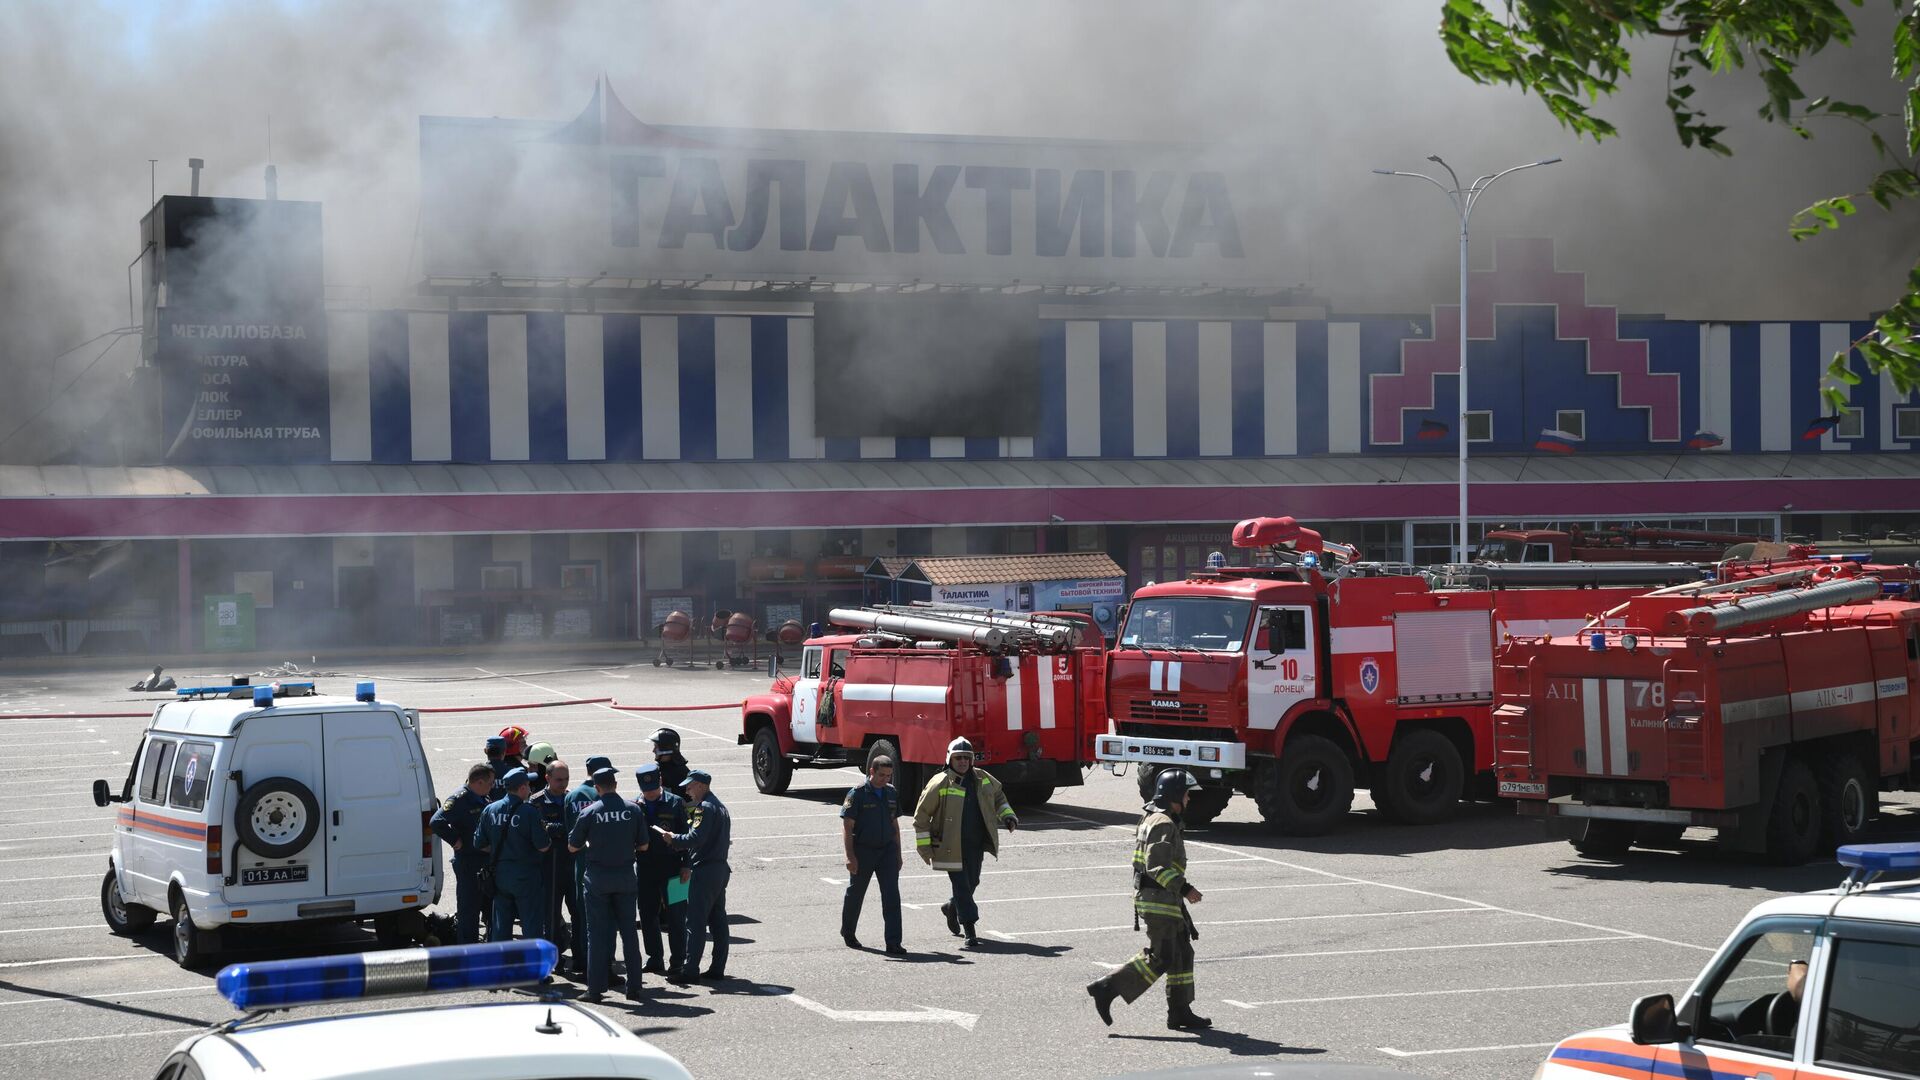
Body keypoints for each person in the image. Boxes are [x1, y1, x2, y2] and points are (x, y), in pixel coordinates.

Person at [1086, 768, 1210, 1031]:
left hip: (1164, 898)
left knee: (1181, 953)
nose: (1189, 800)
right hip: (1158, 900)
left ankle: (1180, 1011)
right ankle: (1107, 988)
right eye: (1187, 794)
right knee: (1161, 956)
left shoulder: (1156, 818)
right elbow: (1157, 866)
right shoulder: (1163, 823)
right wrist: (1185, 888)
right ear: (1176, 795)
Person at [912, 737, 1016, 947]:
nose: (962, 762)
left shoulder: (982, 778)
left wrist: (1008, 815)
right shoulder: (940, 782)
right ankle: (970, 930)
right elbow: (921, 817)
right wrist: (925, 847)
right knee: (961, 886)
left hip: (975, 844)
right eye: (958, 758)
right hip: (950, 845)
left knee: (971, 883)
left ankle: (952, 907)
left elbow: (998, 796)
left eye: (966, 758)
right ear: (950, 759)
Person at [568, 765, 646, 1003]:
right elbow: (644, 846)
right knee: (629, 934)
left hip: (598, 879)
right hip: (624, 877)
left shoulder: (590, 812)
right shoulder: (633, 810)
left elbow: (572, 846)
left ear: (596, 787)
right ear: (616, 785)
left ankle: (595, 989)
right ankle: (634, 987)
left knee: (597, 935)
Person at [654, 769, 731, 985]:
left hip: (705, 870)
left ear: (701, 785)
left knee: (695, 922)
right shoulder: (720, 806)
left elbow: (695, 837)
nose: (687, 790)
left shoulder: (703, 808)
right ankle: (717, 967)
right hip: (720, 869)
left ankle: (690, 970)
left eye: (690, 786)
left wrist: (673, 838)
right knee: (718, 920)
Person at [473, 767, 550, 943]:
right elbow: (543, 846)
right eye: (528, 785)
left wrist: (501, 852)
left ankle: (503, 965)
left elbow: (479, 843)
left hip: (500, 875)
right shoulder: (529, 812)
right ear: (522, 788)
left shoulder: (490, 809)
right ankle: (533, 967)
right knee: (531, 925)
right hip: (526, 876)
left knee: (501, 926)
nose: (530, 789)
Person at [841, 756, 905, 956]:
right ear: (871, 771)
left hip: (887, 851)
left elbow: (894, 824)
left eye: (888, 775)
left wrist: (899, 854)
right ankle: (848, 932)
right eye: (881, 775)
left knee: (892, 896)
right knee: (856, 894)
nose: (884, 779)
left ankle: (893, 942)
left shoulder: (891, 793)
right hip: (864, 851)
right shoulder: (857, 794)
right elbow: (847, 825)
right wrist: (850, 856)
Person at [429, 763, 494, 945]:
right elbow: (436, 821)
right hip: (468, 862)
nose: (491, 787)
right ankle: (467, 951)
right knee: (469, 911)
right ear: (479, 782)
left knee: (488, 908)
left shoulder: (481, 797)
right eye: (490, 783)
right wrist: (455, 840)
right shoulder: (460, 799)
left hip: (484, 862)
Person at [563, 754, 615, 980]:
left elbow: (569, 832)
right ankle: (607, 964)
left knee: (582, 916)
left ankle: (583, 961)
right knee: (608, 917)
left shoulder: (572, 796)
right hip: (607, 863)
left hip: (580, 863)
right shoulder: (608, 797)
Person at [634, 762, 688, 976]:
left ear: (661, 783)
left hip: (674, 867)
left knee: (676, 916)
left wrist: (686, 865)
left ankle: (678, 962)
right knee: (647, 915)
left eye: (653, 790)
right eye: (646, 791)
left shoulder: (676, 803)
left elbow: (687, 836)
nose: (650, 794)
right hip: (646, 868)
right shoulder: (636, 806)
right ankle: (655, 958)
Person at [530, 759, 576, 967]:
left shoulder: (572, 799)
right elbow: (536, 831)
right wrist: (554, 829)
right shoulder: (536, 802)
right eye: (559, 780)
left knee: (578, 913)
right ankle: (553, 959)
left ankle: (581, 957)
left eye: (566, 779)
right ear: (547, 778)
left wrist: (556, 829)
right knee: (550, 915)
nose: (563, 784)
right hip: (548, 867)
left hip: (571, 864)